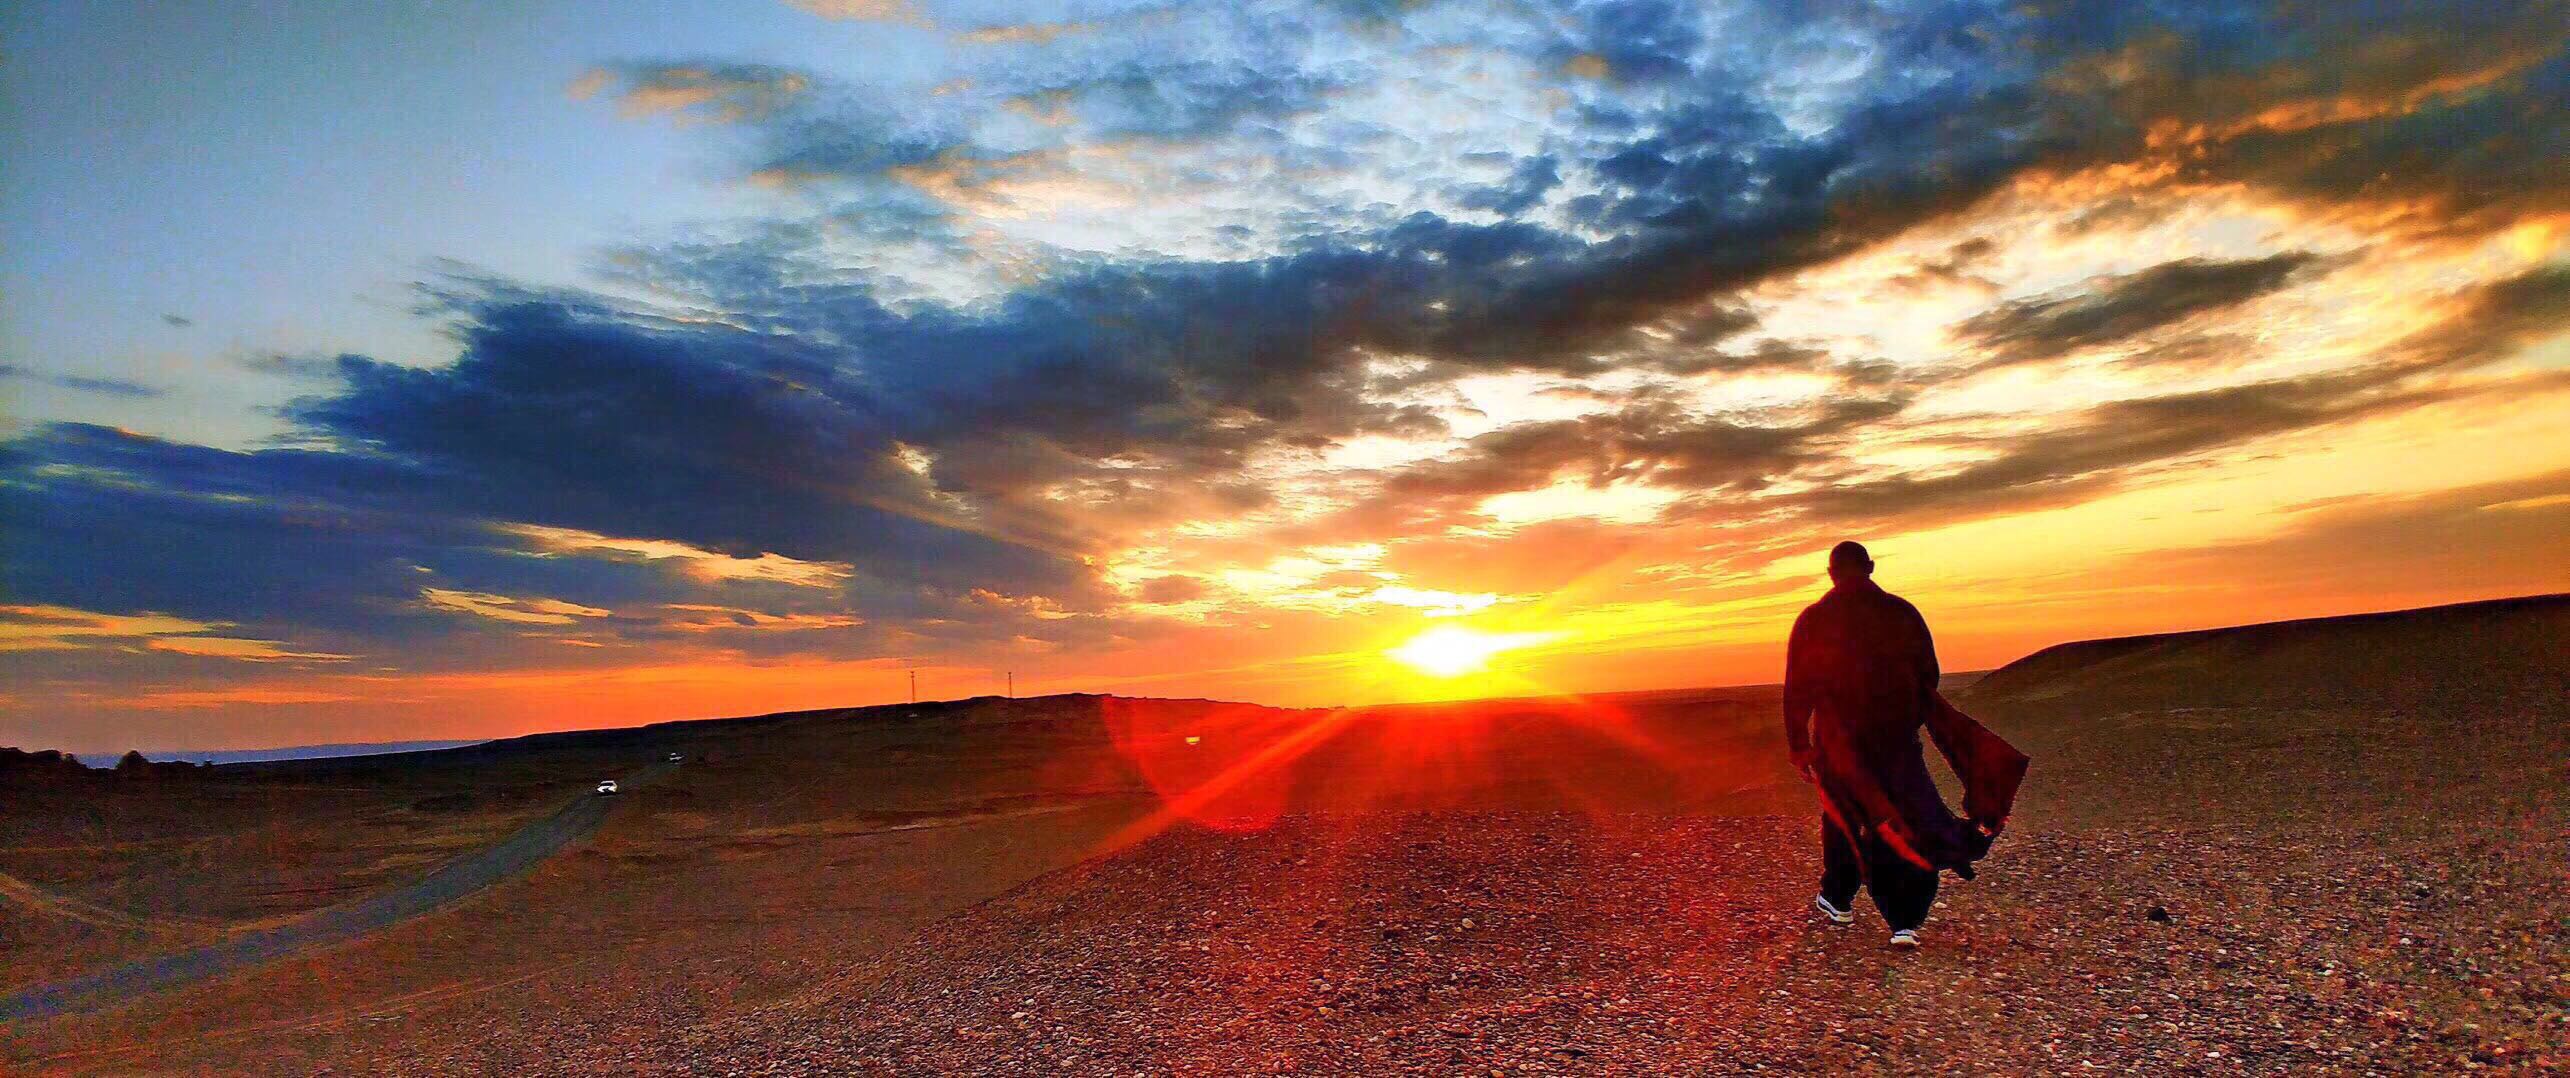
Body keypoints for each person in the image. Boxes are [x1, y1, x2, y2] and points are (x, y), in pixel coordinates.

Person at [1784, 541, 2023, 949]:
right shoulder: (1903, 613)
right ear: (1871, 567)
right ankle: (1893, 915)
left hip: (1839, 741)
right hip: (1896, 738)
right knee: (1907, 813)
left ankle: (1847, 901)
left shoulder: (1814, 618)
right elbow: (1928, 674)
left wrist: (1799, 744)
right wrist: (1909, 716)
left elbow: (1798, 687)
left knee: (1846, 813)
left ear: (1831, 573)